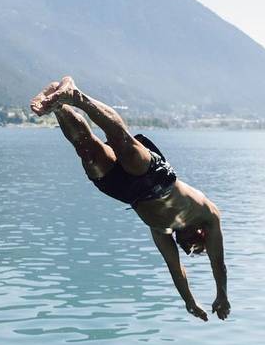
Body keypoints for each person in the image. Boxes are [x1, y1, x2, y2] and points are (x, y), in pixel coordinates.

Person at [30, 77, 229, 321]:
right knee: (121, 142)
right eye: (195, 248)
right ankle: (75, 96)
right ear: (202, 237)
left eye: (187, 250)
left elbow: (176, 270)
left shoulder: (162, 231)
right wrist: (222, 295)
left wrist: (189, 302)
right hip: (157, 179)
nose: (186, 248)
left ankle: (59, 106)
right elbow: (218, 263)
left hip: (127, 192)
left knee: (88, 150)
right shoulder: (208, 216)